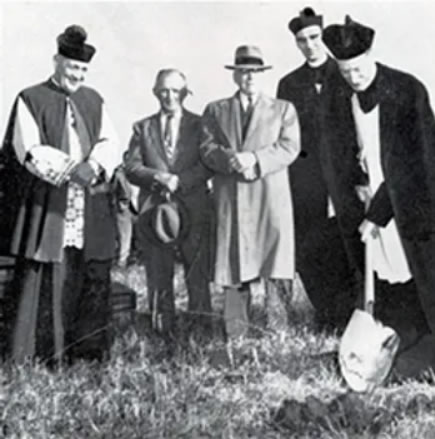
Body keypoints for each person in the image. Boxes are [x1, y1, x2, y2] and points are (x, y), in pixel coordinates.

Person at [1, 25, 122, 364]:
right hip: (48, 200)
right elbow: (27, 147)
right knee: (44, 274)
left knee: (88, 274)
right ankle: (40, 356)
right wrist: (71, 170)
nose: (77, 75)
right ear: (57, 61)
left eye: (83, 69)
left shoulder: (94, 99)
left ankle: (85, 355)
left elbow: (109, 140)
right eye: (72, 67)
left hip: (89, 199)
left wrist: (95, 165)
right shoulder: (30, 98)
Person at [321, 16, 432, 344]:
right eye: (345, 72)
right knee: (384, 273)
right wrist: (358, 183)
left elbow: (415, 164)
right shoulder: (342, 96)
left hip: (409, 202)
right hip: (372, 198)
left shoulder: (407, 90)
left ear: (370, 57)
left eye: (358, 69)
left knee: (417, 270)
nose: (353, 79)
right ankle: (400, 337)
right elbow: (343, 149)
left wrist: (377, 215)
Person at [200, 45, 300, 338]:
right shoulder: (215, 110)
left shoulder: (283, 109)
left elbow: (289, 147)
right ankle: (236, 331)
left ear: (263, 74)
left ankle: (278, 329)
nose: (249, 77)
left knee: (276, 261)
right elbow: (206, 148)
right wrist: (231, 159)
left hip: (270, 196)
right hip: (232, 196)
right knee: (234, 261)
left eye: (255, 71)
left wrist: (255, 159)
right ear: (235, 75)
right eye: (243, 72)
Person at [277, 7, 358, 329]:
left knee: (349, 243)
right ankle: (324, 314)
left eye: (314, 38)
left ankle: (352, 314)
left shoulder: (346, 74)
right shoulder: (289, 84)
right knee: (310, 246)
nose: (309, 45)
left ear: (323, 37)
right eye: (302, 40)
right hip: (306, 180)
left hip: (346, 177)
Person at [125, 69, 213, 336]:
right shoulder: (143, 127)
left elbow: (208, 164)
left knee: (196, 272)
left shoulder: (200, 125)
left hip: (194, 208)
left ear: (185, 93)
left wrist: (180, 181)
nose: (170, 96)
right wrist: (158, 178)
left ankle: (200, 329)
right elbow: (130, 166)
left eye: (176, 90)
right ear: (155, 92)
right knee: (157, 271)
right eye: (164, 90)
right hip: (155, 213)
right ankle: (162, 331)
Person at [112, 151, 138, 268]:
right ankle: (122, 261)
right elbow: (123, 191)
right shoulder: (120, 173)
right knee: (124, 235)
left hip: (134, 208)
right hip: (124, 208)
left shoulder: (134, 172)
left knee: (130, 235)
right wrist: (124, 203)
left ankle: (131, 257)